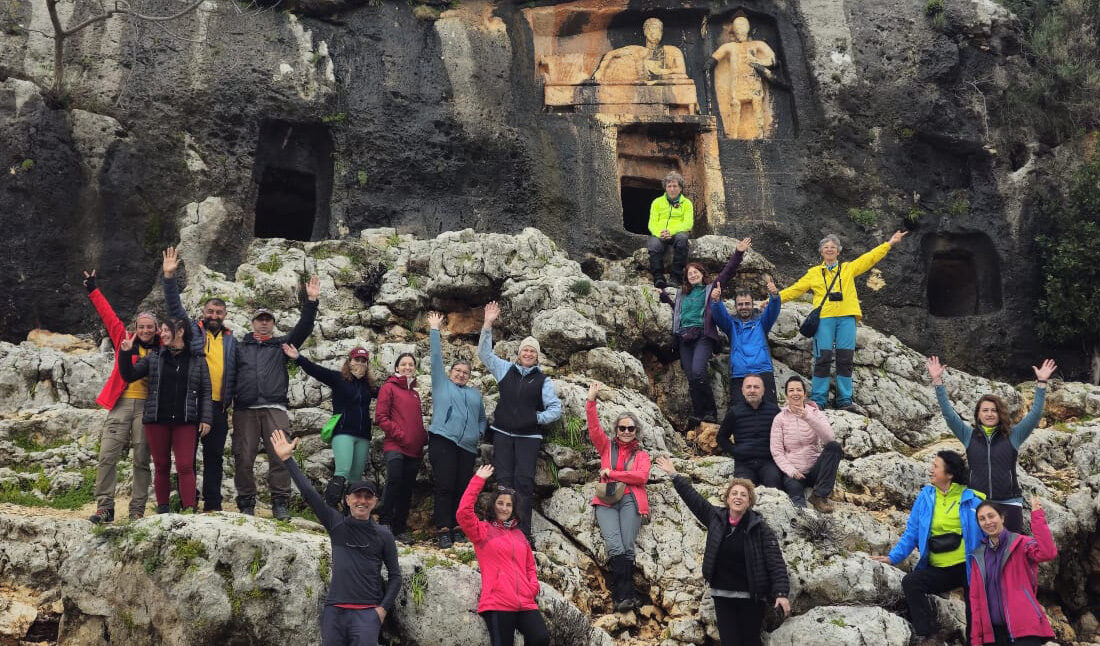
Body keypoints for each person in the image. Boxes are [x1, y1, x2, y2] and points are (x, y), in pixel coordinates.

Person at [270, 430, 400, 646]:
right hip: (335, 611)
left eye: (368, 497)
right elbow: (310, 494)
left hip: (367, 613)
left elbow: (395, 575)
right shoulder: (336, 524)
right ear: (348, 499)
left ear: (374, 501)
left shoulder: (383, 534)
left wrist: (382, 610)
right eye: (357, 495)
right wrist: (287, 459)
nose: (362, 501)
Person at [655, 456, 790, 645]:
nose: (738, 497)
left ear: (750, 501)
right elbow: (693, 499)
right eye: (734, 493)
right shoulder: (715, 518)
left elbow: (775, 562)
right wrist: (674, 475)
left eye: (743, 494)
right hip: (722, 595)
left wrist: (781, 594)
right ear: (727, 499)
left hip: (751, 598)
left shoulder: (760, 528)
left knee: (750, 641)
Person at [779, 231, 908, 412]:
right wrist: (771, 301)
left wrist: (890, 243)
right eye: (826, 247)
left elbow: (869, 259)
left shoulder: (848, 268)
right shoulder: (814, 273)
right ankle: (818, 399)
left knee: (845, 358)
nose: (829, 250)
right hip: (824, 318)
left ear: (839, 251)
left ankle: (845, 399)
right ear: (821, 252)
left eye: (833, 247)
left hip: (847, 316)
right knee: (822, 357)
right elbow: (795, 290)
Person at [928, 356, 1056, 534]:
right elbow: (949, 415)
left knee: (1011, 554)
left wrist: (1041, 383)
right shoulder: (968, 435)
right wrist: (937, 382)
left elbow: (1034, 415)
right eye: (985, 410)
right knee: (980, 555)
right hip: (978, 503)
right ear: (978, 414)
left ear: (1000, 413)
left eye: (994, 410)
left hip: (1009, 503)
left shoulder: (1013, 436)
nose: (989, 414)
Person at [229, 276, 320, 519]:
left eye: (268, 320)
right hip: (245, 410)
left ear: (273, 324)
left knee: (280, 456)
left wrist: (311, 301)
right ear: (253, 323)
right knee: (243, 458)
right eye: (260, 320)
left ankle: (280, 504)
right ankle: (246, 503)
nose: (264, 324)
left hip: (275, 408)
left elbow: (304, 328)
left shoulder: (281, 345)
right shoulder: (239, 347)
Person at [872, 451, 985, 645]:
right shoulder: (925, 497)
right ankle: (930, 635)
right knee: (911, 582)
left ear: (949, 474)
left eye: (936, 466)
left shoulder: (973, 499)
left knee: (974, 612)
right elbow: (912, 532)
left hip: (968, 567)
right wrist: (892, 558)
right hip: (938, 567)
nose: (931, 469)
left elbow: (989, 532)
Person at [478, 301, 563, 541]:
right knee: (503, 482)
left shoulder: (543, 380)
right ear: (519, 353)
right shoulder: (505, 369)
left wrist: (535, 417)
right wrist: (488, 323)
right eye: (525, 350)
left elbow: (555, 408)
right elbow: (484, 354)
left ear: (537, 356)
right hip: (503, 433)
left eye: (532, 351)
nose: (528, 354)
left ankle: (522, 533)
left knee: (524, 483)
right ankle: (498, 528)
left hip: (528, 438)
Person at [161, 247, 237, 512]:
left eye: (219, 312)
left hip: (218, 407)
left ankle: (213, 505)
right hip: (191, 404)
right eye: (210, 311)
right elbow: (175, 307)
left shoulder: (231, 340)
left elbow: (237, 372)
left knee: (214, 458)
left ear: (225, 315)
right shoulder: (193, 332)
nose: (214, 315)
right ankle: (187, 502)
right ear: (203, 312)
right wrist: (169, 277)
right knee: (187, 458)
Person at [117, 319, 212, 513]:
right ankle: (163, 509)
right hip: (157, 420)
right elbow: (129, 375)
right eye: (164, 331)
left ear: (180, 332)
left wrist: (206, 418)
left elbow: (206, 392)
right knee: (161, 465)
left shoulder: (197, 359)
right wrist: (125, 354)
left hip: (186, 421)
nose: (163, 334)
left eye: (167, 331)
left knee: (185, 466)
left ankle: (189, 509)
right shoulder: (155, 357)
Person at [83, 269, 155, 523]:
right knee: (107, 455)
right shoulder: (123, 338)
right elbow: (108, 315)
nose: (145, 330)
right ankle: (105, 507)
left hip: (147, 407)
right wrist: (93, 289)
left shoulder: (160, 349)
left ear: (156, 330)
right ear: (135, 327)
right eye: (142, 326)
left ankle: (137, 510)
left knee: (141, 459)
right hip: (121, 403)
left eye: (150, 327)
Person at [659, 238, 751, 424]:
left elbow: (727, 272)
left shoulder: (710, 289)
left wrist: (738, 253)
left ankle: (711, 412)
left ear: (702, 274)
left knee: (698, 371)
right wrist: (662, 296)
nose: (692, 275)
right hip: (684, 337)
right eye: (689, 273)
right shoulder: (683, 294)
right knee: (691, 376)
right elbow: (677, 310)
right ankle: (699, 414)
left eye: (695, 272)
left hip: (703, 335)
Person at [456, 464, 550, 646]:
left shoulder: (519, 534)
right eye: (500, 503)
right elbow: (463, 513)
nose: (504, 508)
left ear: (514, 509)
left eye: (508, 505)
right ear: (493, 505)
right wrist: (478, 480)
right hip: (497, 602)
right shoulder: (482, 531)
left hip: (525, 601)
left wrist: (532, 588)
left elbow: (530, 566)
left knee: (541, 638)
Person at [282, 344, 376, 509]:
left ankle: (350, 516)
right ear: (349, 361)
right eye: (357, 359)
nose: (360, 363)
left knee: (355, 478)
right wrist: (299, 358)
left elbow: (388, 393)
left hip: (363, 436)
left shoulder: (368, 386)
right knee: (342, 471)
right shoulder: (338, 378)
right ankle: (329, 511)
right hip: (344, 433)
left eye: (364, 360)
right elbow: (316, 370)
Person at [586, 381, 651, 612]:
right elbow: (594, 429)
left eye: (630, 428)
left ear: (636, 431)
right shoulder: (606, 447)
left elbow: (641, 477)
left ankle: (622, 596)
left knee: (626, 546)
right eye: (622, 428)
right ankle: (626, 595)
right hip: (605, 500)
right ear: (616, 431)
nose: (625, 432)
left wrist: (612, 473)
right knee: (615, 546)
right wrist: (591, 400)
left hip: (631, 499)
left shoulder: (642, 454)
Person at [427, 312, 486, 549]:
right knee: (445, 485)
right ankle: (443, 528)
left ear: (469, 376)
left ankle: (458, 527)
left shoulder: (474, 394)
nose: (461, 374)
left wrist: (478, 434)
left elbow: (482, 418)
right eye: (457, 371)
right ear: (451, 373)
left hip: (467, 447)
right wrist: (434, 329)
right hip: (443, 440)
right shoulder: (442, 384)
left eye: (465, 372)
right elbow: (435, 358)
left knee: (462, 488)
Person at [968, 498, 1058, 646]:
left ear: (1002, 518)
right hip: (994, 635)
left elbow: (1048, 553)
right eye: (982, 519)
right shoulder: (978, 556)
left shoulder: (1021, 543)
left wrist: (1037, 517)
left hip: (1025, 629)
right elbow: (976, 601)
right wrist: (977, 640)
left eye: (991, 516)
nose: (988, 522)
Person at [374, 352, 426, 542]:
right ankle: (384, 523)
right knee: (394, 480)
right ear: (396, 368)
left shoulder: (415, 393)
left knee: (406, 489)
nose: (407, 367)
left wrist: (422, 438)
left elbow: (416, 421)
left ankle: (400, 528)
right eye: (403, 364)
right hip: (395, 445)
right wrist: (400, 435)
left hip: (414, 449)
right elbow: (381, 417)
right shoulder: (389, 387)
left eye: (411, 364)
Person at [770, 376, 841, 513]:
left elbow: (829, 438)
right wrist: (791, 471)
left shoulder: (814, 412)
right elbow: (777, 451)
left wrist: (807, 417)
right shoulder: (780, 419)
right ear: (786, 395)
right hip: (795, 471)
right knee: (796, 495)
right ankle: (802, 516)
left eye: (799, 390)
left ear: (804, 394)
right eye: (791, 390)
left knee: (834, 447)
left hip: (815, 469)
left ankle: (819, 496)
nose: (795, 393)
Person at [711, 280, 782, 406]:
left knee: (769, 411)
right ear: (736, 307)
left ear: (752, 304)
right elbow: (720, 316)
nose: (744, 306)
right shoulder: (731, 325)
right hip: (739, 373)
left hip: (763, 371)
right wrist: (716, 301)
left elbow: (772, 311)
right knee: (739, 413)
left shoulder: (762, 322)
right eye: (740, 304)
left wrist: (775, 296)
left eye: (747, 303)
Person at [717, 375, 783, 488]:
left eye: (756, 387)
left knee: (774, 484)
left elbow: (784, 435)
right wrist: (735, 451)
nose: (752, 390)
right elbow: (721, 438)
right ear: (743, 390)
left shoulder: (774, 411)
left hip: (768, 461)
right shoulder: (735, 412)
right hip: (744, 463)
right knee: (743, 488)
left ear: (763, 390)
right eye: (748, 387)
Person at [646, 171, 694, 288]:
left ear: (680, 188)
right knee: (653, 243)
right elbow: (652, 223)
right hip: (660, 234)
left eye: (675, 186)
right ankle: (658, 278)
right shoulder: (657, 202)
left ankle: (675, 278)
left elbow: (688, 223)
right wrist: (660, 233)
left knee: (682, 239)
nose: (672, 189)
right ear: (665, 188)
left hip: (677, 234)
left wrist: (671, 232)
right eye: (669, 186)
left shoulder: (687, 203)